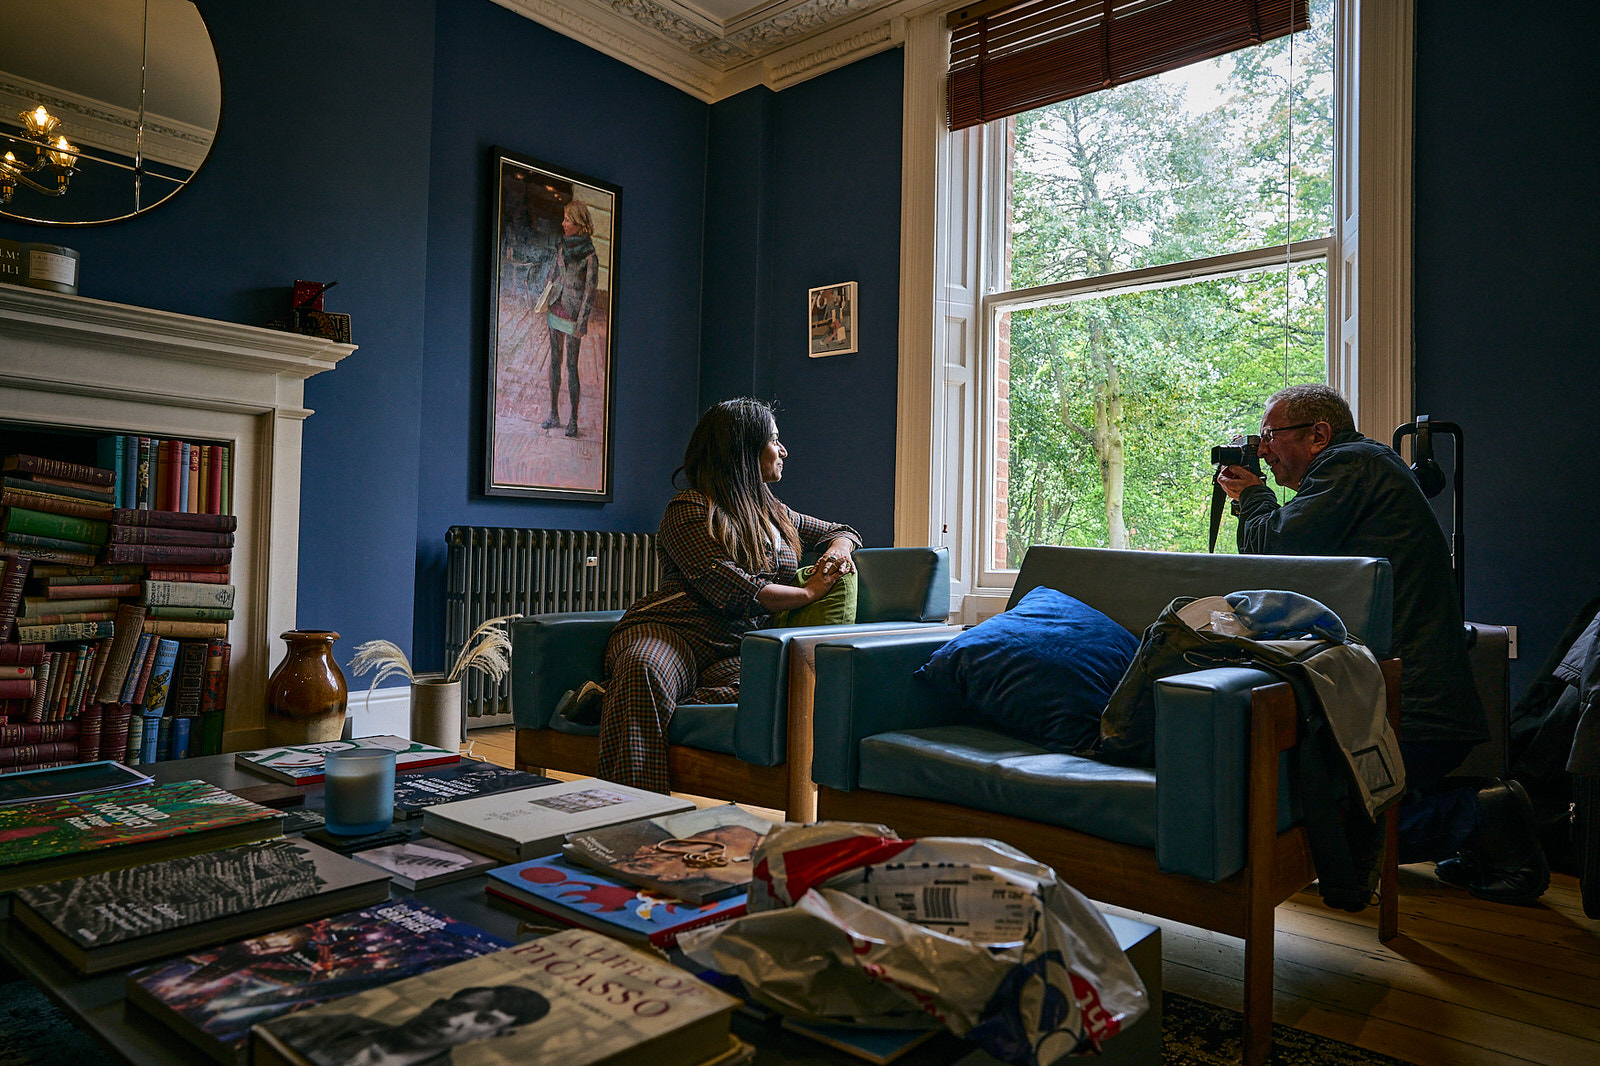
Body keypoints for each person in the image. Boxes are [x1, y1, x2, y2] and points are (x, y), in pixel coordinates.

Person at [1216, 383, 1548, 904]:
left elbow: (1277, 547)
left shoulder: (1351, 468)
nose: (1262, 449)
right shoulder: (1363, 469)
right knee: (1330, 807)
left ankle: (1482, 815)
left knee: (1324, 825)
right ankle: (1479, 822)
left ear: (1319, 435)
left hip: (1410, 709)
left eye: (1270, 435)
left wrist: (1253, 496)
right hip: (1420, 700)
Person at [593, 398, 860, 793]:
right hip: (675, 633)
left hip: (736, 647)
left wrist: (839, 549)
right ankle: (633, 818)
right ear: (744, 451)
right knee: (644, 669)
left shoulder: (776, 512)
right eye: (774, 440)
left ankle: (604, 702)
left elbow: (841, 529)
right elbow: (728, 586)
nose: (783, 450)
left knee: (779, 683)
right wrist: (807, 593)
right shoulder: (689, 507)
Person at [265, 984, 549, 1065]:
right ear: (435, 1005)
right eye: (456, 1008)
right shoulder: (340, 1024)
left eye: (484, 1019)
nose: (450, 1021)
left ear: (495, 1035)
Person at [540, 200, 599, 438]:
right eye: (564, 219)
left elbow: (590, 292)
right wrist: (546, 292)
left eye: (567, 220)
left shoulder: (590, 256)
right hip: (556, 308)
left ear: (579, 224)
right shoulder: (563, 246)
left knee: (571, 366)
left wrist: (582, 322)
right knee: (555, 362)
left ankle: (572, 421)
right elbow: (555, 273)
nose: (563, 223)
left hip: (573, 316)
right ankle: (554, 414)